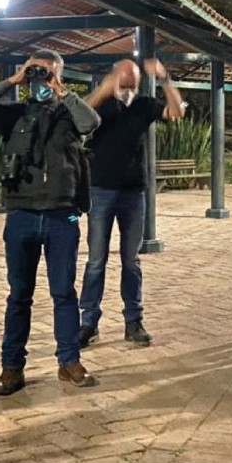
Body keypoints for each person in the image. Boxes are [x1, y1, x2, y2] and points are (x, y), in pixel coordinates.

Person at [0, 50, 101, 396]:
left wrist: (63, 91)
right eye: (38, 75)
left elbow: (91, 123)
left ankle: (68, 362)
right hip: (22, 215)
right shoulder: (15, 115)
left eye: (48, 74)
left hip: (62, 215)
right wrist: (14, 79)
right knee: (19, 296)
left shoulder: (69, 115)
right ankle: (11, 369)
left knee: (63, 293)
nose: (42, 81)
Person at [78, 58, 184, 349]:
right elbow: (76, 119)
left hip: (133, 193)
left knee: (131, 261)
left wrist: (165, 78)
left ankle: (133, 321)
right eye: (122, 77)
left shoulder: (144, 105)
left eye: (132, 78)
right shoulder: (100, 103)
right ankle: (88, 322)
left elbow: (176, 112)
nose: (127, 83)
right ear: (113, 77)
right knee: (96, 260)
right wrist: (105, 89)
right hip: (100, 190)